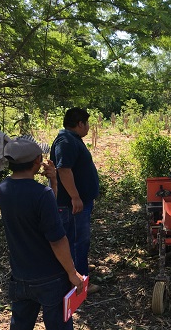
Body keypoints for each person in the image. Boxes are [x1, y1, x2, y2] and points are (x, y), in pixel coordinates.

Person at [0, 137, 84, 329]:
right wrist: (72, 273)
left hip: (20, 276)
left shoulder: (3, 189)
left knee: (20, 324)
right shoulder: (40, 194)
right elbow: (57, 240)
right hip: (50, 277)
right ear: (37, 161)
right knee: (58, 325)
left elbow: (41, 210)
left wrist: (53, 181)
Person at [50, 108, 100, 293]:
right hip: (73, 205)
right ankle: (79, 283)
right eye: (87, 123)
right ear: (80, 124)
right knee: (77, 241)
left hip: (79, 203)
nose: (88, 127)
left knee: (78, 240)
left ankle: (79, 272)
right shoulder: (66, 141)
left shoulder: (72, 139)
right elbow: (64, 170)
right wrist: (75, 197)